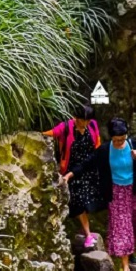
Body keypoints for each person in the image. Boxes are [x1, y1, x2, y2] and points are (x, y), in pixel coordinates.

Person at [64, 117, 136, 271]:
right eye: (116, 140)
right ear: (111, 138)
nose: (120, 143)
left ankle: (130, 255)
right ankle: (126, 269)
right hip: (115, 192)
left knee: (132, 222)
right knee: (122, 227)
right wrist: (71, 174)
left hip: (132, 191)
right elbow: (88, 163)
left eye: (122, 139)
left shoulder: (132, 145)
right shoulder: (104, 150)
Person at [43, 105, 103, 249]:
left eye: (88, 121)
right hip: (72, 170)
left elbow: (97, 145)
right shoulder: (67, 127)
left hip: (87, 169)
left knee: (88, 201)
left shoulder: (93, 125)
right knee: (79, 202)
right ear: (76, 118)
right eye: (83, 121)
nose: (86, 124)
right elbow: (51, 133)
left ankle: (84, 229)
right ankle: (88, 235)